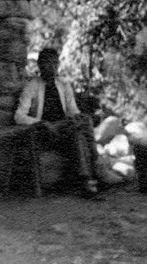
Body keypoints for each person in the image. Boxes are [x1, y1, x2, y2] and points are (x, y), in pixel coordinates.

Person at [14, 48, 101, 198]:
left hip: (64, 129)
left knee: (82, 125)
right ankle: (94, 170)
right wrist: (41, 123)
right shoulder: (32, 86)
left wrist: (77, 117)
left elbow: (73, 111)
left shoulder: (63, 84)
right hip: (45, 132)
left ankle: (87, 179)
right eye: (48, 63)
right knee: (77, 132)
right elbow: (19, 116)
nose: (53, 67)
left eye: (55, 63)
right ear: (40, 65)